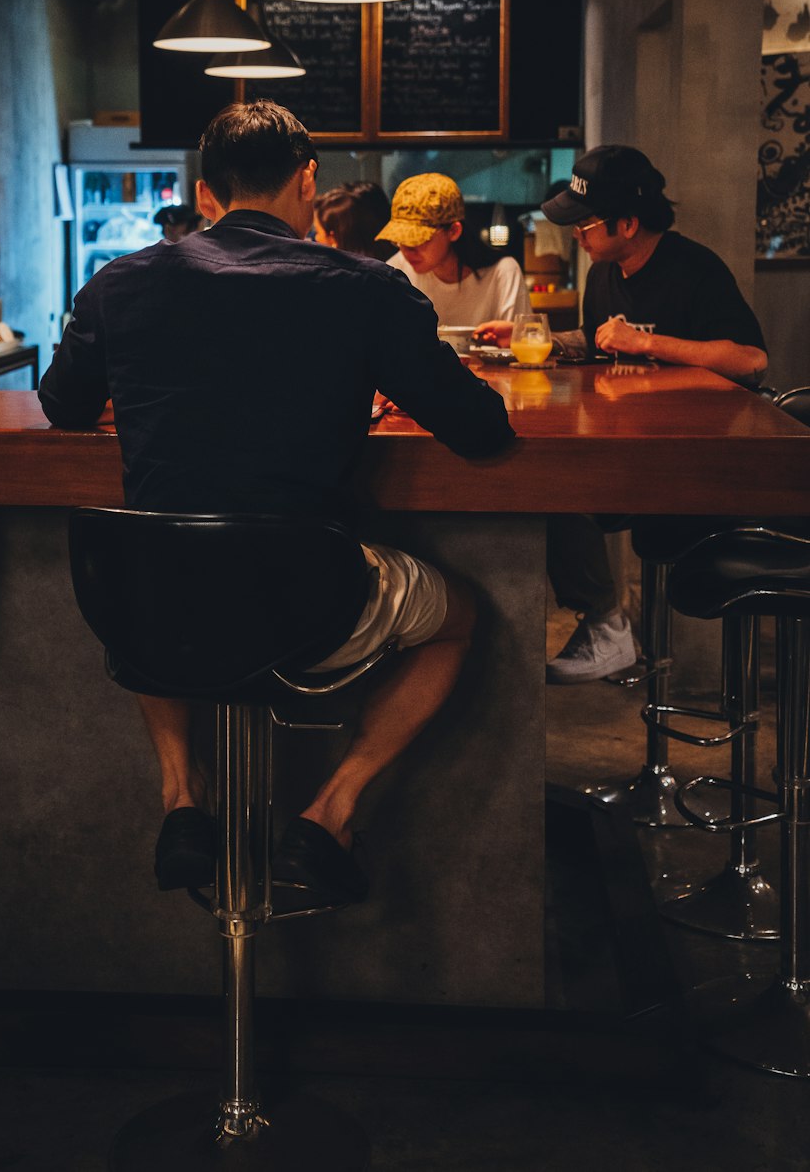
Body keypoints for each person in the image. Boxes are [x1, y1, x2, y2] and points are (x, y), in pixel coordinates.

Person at [39, 100, 515, 902]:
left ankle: (183, 799)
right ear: (307, 179)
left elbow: (62, 405)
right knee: (462, 614)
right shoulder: (365, 288)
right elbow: (478, 428)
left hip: (150, 607)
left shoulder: (118, 283)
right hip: (309, 609)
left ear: (207, 190)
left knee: (161, 562)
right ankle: (329, 810)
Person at [476, 144, 768, 683]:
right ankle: (605, 623)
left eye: (585, 226)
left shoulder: (694, 268)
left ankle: (608, 629)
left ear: (628, 223)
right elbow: (597, 340)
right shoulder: (605, 273)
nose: (577, 238)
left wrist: (644, 342)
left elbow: (751, 360)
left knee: (557, 483)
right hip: (630, 452)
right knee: (540, 478)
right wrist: (528, 336)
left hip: (698, 463)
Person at [376, 172, 531, 327]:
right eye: (400, 240)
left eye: (418, 239)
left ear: (453, 231)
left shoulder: (502, 272)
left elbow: (525, 340)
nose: (407, 251)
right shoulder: (397, 270)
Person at [313, 181, 395, 259]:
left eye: (317, 232)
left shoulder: (332, 272)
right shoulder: (396, 266)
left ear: (334, 239)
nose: (315, 238)